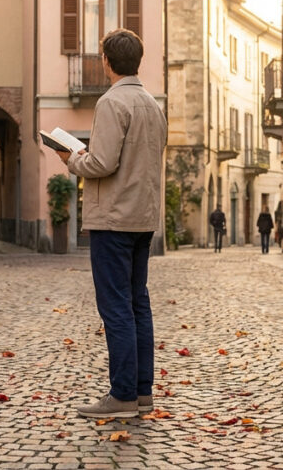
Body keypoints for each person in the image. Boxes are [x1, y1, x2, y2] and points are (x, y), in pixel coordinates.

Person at [56, 29, 167, 419]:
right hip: (143, 217)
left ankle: (121, 396)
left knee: (116, 307)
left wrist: (72, 158)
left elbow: (102, 163)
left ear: (106, 61)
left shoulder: (111, 102)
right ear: (138, 61)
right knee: (138, 304)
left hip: (113, 219)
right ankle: (141, 393)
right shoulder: (153, 106)